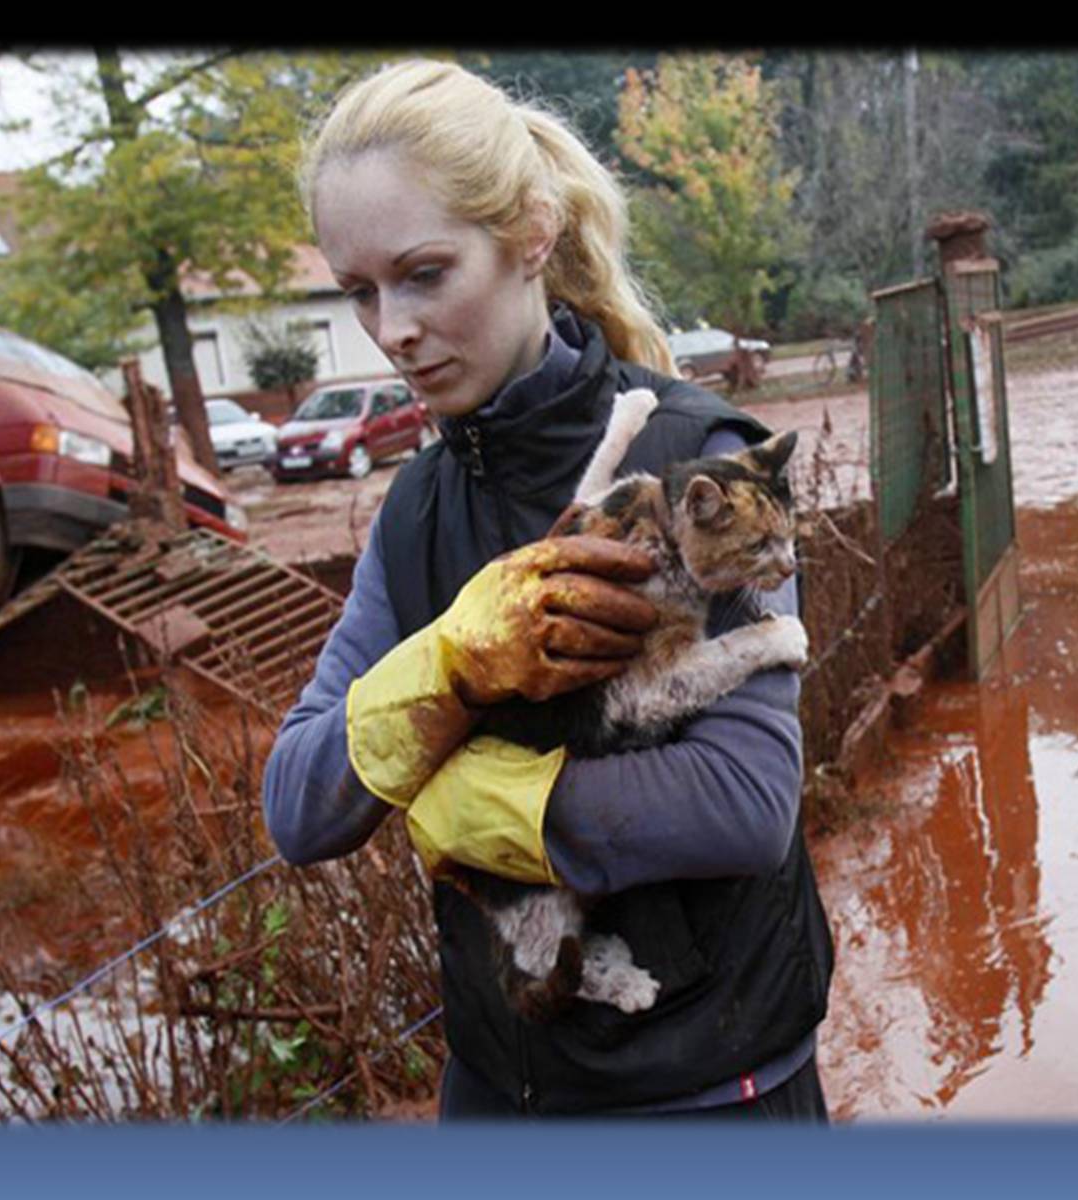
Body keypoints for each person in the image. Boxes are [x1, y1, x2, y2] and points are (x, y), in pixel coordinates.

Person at [262, 59, 833, 1120]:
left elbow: (746, 805)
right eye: (358, 291)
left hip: (711, 1092)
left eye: (424, 273)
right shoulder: (415, 510)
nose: (390, 330)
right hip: (498, 1089)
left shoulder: (696, 460)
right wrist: (441, 670)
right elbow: (297, 804)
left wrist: (478, 805)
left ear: (530, 234)